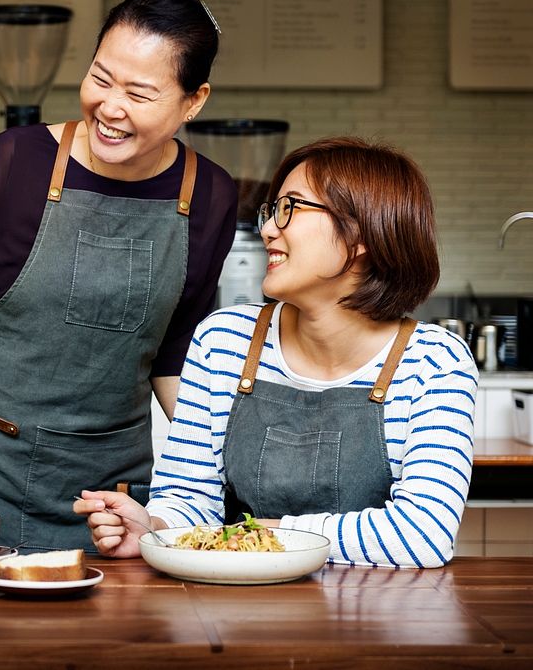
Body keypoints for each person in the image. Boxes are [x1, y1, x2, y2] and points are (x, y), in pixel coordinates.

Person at [0, 0, 238, 552]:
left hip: (110, 496)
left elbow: (176, 349)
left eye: (140, 93)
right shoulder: (9, 167)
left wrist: (210, 483)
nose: (110, 108)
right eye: (101, 79)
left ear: (194, 100)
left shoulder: (208, 195)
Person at [75, 136, 479, 568]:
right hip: (241, 611)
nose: (268, 228)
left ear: (363, 231)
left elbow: (423, 536)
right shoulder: (224, 342)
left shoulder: (434, 363)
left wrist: (261, 534)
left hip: (380, 623)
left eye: (291, 208)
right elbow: (191, 500)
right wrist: (156, 528)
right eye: (273, 210)